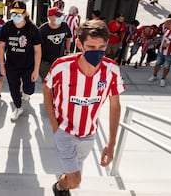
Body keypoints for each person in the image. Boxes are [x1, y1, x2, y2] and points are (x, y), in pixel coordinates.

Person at [43, 20, 125, 196]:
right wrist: (54, 125)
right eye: (91, 47)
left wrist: (111, 143)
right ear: (79, 44)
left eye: (102, 47)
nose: (97, 52)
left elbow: (115, 106)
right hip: (64, 131)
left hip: (88, 134)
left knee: (73, 175)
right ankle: (59, 187)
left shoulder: (112, 70)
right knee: (75, 180)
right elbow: (47, 89)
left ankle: (63, 183)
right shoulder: (61, 66)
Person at [0, 1, 42, 121]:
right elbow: (1, 47)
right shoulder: (7, 27)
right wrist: (2, 65)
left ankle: (26, 92)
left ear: (24, 14)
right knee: (13, 87)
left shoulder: (32, 29)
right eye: (13, 14)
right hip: (12, 65)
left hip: (28, 65)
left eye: (18, 14)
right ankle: (18, 107)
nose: (15, 17)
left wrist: (36, 70)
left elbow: (38, 50)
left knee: (29, 90)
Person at [148, 18, 171, 87]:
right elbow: (165, 38)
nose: (166, 26)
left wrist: (170, 45)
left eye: (167, 25)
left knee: (166, 66)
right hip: (161, 51)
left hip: (170, 54)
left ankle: (163, 79)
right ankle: (154, 75)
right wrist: (158, 39)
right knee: (157, 64)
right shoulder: (168, 30)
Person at [39, 7, 72, 81]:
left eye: (60, 15)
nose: (60, 17)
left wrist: (67, 50)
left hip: (60, 60)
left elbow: (68, 37)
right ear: (50, 18)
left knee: (58, 82)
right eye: (57, 15)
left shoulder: (64, 26)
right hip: (45, 62)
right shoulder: (42, 29)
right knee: (47, 83)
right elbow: (37, 45)